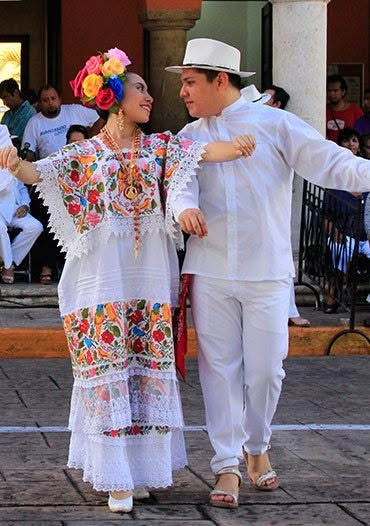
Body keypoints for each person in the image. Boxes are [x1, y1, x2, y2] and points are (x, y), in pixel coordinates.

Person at [0, 47, 255, 513]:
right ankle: (115, 477)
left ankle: (137, 473)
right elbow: (39, 174)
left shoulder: (159, 148)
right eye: (139, 88)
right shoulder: (86, 153)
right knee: (111, 371)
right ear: (114, 96)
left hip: (149, 280)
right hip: (103, 282)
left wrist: (237, 146)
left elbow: (200, 152)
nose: (151, 97)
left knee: (144, 372)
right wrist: (14, 164)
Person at [165, 38, 370, 509]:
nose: (184, 93)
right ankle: (226, 466)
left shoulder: (277, 124)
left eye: (191, 82)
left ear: (221, 80)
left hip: (267, 270)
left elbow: (331, 162)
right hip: (211, 269)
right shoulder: (188, 138)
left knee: (266, 371)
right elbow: (179, 185)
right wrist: (185, 210)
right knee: (218, 371)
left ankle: (256, 446)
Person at [22, 85, 105, 284]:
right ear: (39, 103)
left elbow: (103, 118)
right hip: (50, 180)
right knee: (46, 214)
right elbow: (29, 155)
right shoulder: (34, 123)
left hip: (82, 183)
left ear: (60, 98)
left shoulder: (75, 111)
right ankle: (47, 265)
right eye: (45, 100)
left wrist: (91, 137)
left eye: (53, 98)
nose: (50, 103)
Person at [264, 83, 310, 327]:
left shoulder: (283, 123)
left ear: (277, 103)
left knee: (282, 250)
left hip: (278, 198)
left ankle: (291, 311)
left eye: (267, 97)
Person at [323, 128, 369, 313]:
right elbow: (325, 216)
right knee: (337, 252)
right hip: (344, 236)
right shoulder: (334, 181)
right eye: (346, 141)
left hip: (367, 236)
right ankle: (332, 295)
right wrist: (334, 232)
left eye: (354, 140)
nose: (351, 144)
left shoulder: (367, 172)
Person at [0, 124, 42, 283]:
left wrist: (25, 205)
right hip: (0, 210)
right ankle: (9, 266)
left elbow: (23, 189)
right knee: (0, 227)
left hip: (16, 210)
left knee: (36, 226)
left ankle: (8, 261)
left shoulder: (16, 168)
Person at [326, 74, 363, 143]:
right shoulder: (323, 110)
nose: (331, 94)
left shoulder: (355, 110)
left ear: (343, 92)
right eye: (329, 91)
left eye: (335, 91)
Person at [0, 78, 36, 147]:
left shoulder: (29, 112)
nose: (4, 103)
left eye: (6, 98)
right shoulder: (7, 115)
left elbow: (16, 137)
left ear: (16, 93)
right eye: (2, 99)